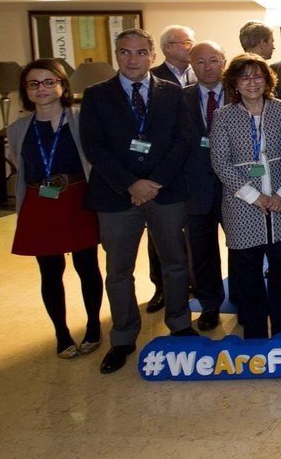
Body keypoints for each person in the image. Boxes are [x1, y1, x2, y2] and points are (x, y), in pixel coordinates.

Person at [80, 28, 195, 374]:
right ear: (116, 55)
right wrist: (131, 184)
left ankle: (180, 324)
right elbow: (93, 146)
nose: (133, 59)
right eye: (125, 52)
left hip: (165, 192)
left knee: (175, 262)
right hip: (116, 195)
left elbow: (183, 140)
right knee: (119, 271)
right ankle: (123, 337)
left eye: (141, 52)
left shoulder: (172, 93)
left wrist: (154, 182)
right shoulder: (96, 95)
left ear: (152, 56)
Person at [8, 59, 103, 359]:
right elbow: (21, 166)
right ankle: (61, 333)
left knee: (87, 266)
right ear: (26, 90)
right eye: (34, 84)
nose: (42, 89)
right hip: (40, 202)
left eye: (49, 82)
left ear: (62, 85)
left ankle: (93, 326)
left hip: (78, 199)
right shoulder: (18, 129)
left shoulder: (80, 118)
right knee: (49, 271)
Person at [210, 54, 281, 339]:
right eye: (244, 77)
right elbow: (220, 162)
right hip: (241, 206)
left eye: (257, 76)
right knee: (247, 274)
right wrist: (255, 197)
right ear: (234, 83)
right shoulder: (224, 116)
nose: (252, 82)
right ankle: (256, 334)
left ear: (267, 80)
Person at [145, 23, 197, 312]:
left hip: (196, 168)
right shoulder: (152, 80)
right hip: (165, 172)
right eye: (186, 42)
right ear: (167, 48)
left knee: (196, 235)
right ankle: (161, 288)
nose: (192, 48)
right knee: (161, 236)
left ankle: (196, 283)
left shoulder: (200, 74)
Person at [182, 41, 228, 332]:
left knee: (241, 248)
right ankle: (210, 304)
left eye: (213, 60)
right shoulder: (179, 98)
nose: (207, 66)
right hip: (195, 187)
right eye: (200, 61)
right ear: (191, 65)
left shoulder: (240, 94)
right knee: (201, 251)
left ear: (224, 62)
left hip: (236, 187)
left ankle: (245, 298)